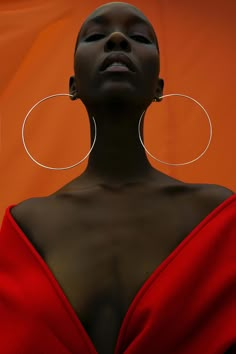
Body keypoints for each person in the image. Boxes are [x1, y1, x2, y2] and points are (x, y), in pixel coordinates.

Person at [0, 2, 235, 354]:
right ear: (72, 85)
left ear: (159, 87)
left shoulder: (219, 221)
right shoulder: (24, 229)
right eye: (95, 36)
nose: (116, 39)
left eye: (138, 37)